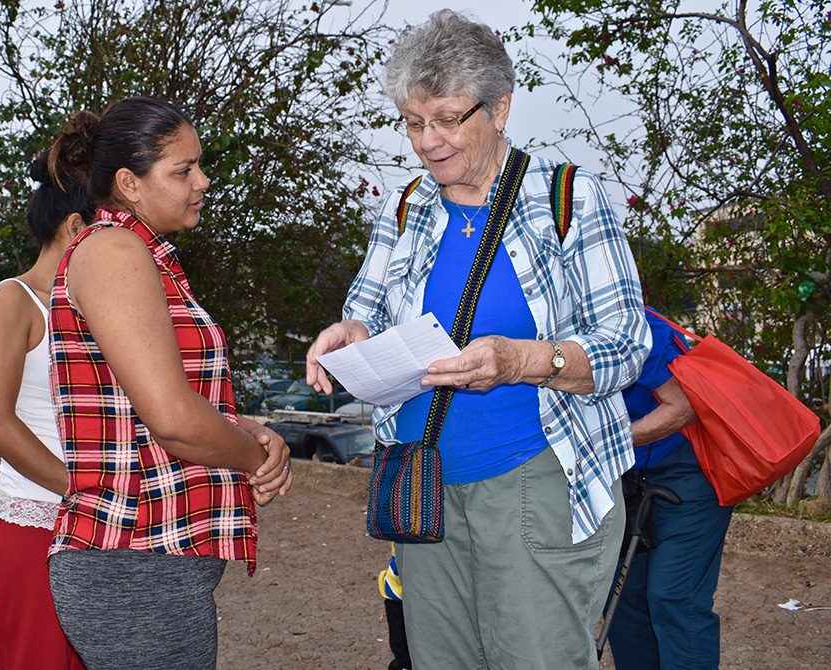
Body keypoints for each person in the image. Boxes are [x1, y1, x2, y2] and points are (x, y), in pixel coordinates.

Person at [305, 10, 651, 669]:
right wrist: (347, 334)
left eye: (447, 118)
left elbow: (627, 346)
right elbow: (366, 310)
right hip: (425, 485)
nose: (427, 141)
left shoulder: (569, 198)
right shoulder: (406, 205)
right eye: (413, 122)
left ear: (500, 108)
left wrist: (521, 360)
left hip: (538, 483)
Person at [43, 96, 292, 670]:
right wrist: (254, 454)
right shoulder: (113, 251)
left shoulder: (138, 254)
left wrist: (249, 429)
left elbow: (149, 405)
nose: (203, 181)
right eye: (183, 170)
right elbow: (173, 420)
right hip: (132, 562)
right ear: (129, 183)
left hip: (147, 563)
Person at [0, 151, 95, 670]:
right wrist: (85, 493)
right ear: (74, 227)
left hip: (100, 530)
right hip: (36, 531)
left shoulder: (98, 307)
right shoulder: (13, 301)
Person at [606, 307, 734, 669]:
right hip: (626, 472)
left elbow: (685, 407)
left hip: (689, 465)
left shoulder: (633, 322)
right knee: (623, 599)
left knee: (674, 596)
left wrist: (609, 441)